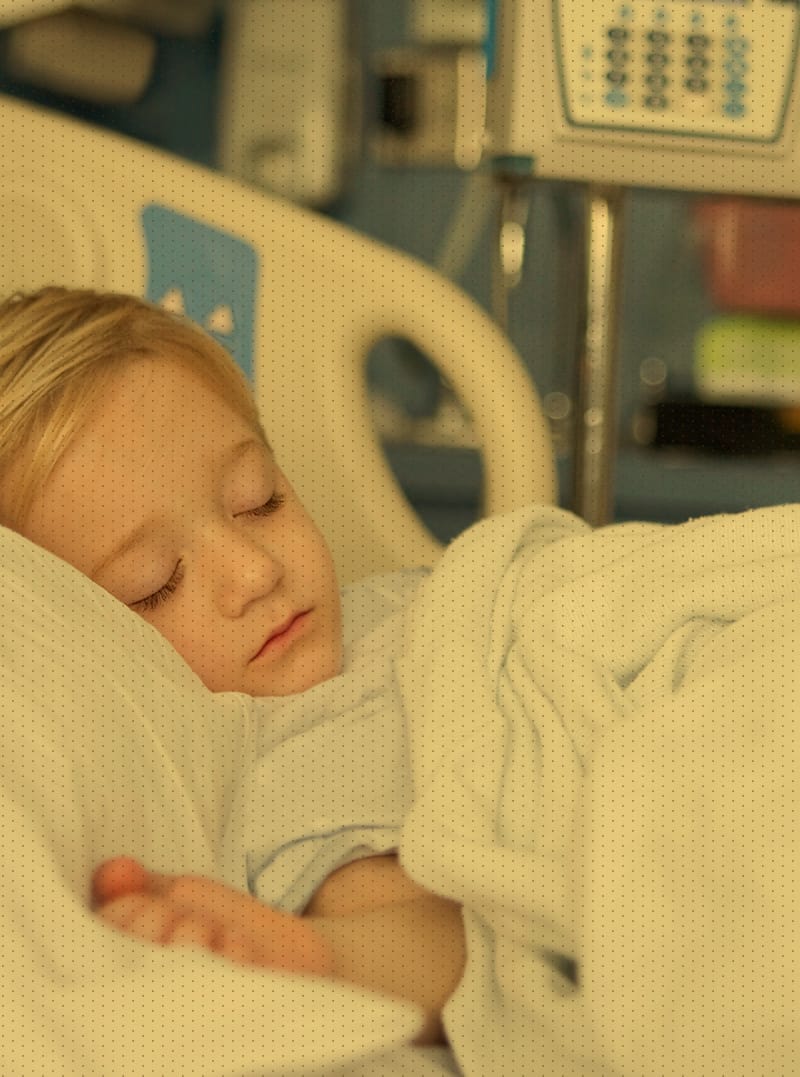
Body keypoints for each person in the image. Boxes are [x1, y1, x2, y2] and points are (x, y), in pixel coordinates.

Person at [0, 286, 465, 1046]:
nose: (253, 569)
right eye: (157, 583)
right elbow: (472, 959)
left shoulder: (404, 607)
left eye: (259, 501)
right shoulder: (293, 753)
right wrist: (313, 955)